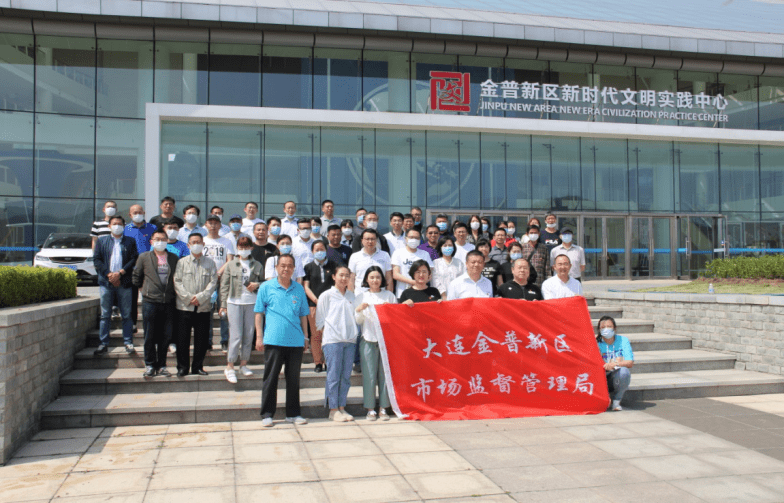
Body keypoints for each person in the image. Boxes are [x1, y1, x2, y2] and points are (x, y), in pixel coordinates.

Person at [255, 254, 309, 427]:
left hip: (295, 341)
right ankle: (267, 414)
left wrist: (306, 336)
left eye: (290, 266)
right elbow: (258, 313)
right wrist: (259, 336)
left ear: (294, 269)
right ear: (277, 267)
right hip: (274, 340)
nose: (286, 269)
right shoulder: (266, 287)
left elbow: (303, 315)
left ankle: (293, 413)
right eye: (283, 265)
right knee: (270, 378)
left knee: (293, 379)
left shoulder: (299, 289)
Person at [132, 229, 178, 377]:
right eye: (157, 239)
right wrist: (143, 290)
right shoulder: (144, 257)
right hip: (150, 301)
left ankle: (162, 365)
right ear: (151, 241)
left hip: (168, 301)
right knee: (150, 335)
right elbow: (136, 276)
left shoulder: (173, 258)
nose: (160, 242)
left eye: (163, 239)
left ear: (167, 241)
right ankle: (150, 365)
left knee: (166, 335)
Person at [316, 265, 357, 422]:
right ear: (334, 276)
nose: (344, 278)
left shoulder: (352, 296)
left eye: (347, 275)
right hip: (333, 341)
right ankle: (333, 410)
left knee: (345, 376)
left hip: (350, 341)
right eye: (341, 275)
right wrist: (330, 334)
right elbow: (319, 320)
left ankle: (341, 407)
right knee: (333, 376)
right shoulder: (326, 295)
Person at [354, 266, 396, 420]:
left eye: (378, 277)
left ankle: (384, 408)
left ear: (382, 279)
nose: (375, 280)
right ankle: (370, 409)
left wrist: (388, 310)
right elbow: (358, 321)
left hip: (386, 341)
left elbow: (395, 319)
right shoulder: (361, 296)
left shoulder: (389, 296)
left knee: (385, 375)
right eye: (371, 277)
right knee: (369, 375)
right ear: (366, 279)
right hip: (368, 339)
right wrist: (359, 310)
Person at [173, 233, 217, 376]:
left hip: (203, 307)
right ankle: (182, 367)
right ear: (188, 245)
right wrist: (188, 298)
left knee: (201, 340)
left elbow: (213, 282)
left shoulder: (210, 263)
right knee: (182, 339)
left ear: (203, 244)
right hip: (184, 307)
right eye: (193, 242)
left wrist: (200, 297)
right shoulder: (182, 262)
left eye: (199, 242)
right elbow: (177, 281)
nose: (196, 244)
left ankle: (197, 367)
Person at [93, 215, 138, 356]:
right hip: (106, 282)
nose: (117, 226)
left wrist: (120, 273)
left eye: (119, 224)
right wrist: (109, 275)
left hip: (124, 282)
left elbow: (133, 259)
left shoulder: (130, 241)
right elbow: (97, 260)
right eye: (114, 224)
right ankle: (103, 343)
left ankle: (128, 342)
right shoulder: (102, 241)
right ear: (109, 226)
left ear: (124, 226)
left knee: (126, 314)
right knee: (105, 315)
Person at [220, 236, 263, 384]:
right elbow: (224, 285)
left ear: (251, 248)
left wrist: (256, 285)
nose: (243, 250)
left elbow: (264, 282)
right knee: (236, 335)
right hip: (234, 302)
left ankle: (243, 364)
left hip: (252, 302)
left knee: (248, 334)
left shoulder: (257, 264)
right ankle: (230, 366)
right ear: (237, 248)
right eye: (241, 247)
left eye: (246, 247)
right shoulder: (231, 264)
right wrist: (222, 305)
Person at [203, 214, 236, 352]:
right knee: (207, 313)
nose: (213, 225)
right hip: (206, 282)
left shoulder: (226, 242)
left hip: (223, 281)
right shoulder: (202, 241)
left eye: (216, 223)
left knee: (224, 313)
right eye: (210, 222)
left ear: (220, 225)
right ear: (206, 224)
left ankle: (224, 341)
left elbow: (230, 260)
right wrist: (211, 275)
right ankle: (207, 342)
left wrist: (218, 273)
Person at [303, 240, 336, 373]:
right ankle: (318, 362)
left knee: (329, 335)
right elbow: (306, 287)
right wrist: (317, 300)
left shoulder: (334, 265)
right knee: (316, 335)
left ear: (326, 250)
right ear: (312, 251)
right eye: (316, 250)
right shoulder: (308, 267)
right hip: (313, 305)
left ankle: (328, 361)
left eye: (322, 249)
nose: (319, 252)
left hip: (331, 306)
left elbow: (337, 285)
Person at [125, 204, 157, 330]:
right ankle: (133, 323)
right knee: (132, 297)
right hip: (132, 267)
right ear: (130, 215)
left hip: (149, 267)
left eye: (140, 212)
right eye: (135, 212)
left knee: (149, 297)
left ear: (144, 213)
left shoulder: (152, 228)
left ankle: (150, 323)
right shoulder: (126, 229)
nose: (138, 214)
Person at [597, 316, 634, 411]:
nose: (606, 329)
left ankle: (616, 401)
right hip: (600, 377)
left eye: (609, 326)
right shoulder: (595, 343)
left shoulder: (623, 340)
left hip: (615, 375)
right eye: (603, 327)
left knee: (624, 372)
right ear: (599, 330)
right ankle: (604, 397)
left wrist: (615, 364)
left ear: (615, 328)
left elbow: (630, 362)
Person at [391, 228, 433, 299]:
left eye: (416, 238)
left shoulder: (425, 254)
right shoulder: (398, 253)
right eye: (411, 237)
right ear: (405, 239)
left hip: (422, 293)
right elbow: (395, 274)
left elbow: (430, 274)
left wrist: (419, 283)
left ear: (420, 239)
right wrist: (413, 282)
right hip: (402, 293)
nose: (414, 240)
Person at [520, 224, 549, 289]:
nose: (533, 235)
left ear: (539, 234)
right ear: (527, 234)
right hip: (526, 282)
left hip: (540, 282)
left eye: (535, 233)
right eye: (531, 233)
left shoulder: (544, 248)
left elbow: (547, 268)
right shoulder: (522, 247)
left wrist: (548, 281)